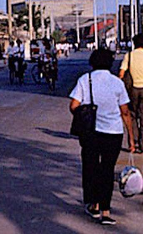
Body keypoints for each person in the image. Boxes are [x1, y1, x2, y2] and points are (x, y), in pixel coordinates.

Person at [69, 49, 135, 226]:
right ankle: (105, 211)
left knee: (90, 168)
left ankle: (94, 204)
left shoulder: (85, 79)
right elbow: (125, 112)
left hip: (90, 133)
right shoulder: (117, 83)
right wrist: (131, 138)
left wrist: (86, 113)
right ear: (110, 63)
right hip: (113, 133)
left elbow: (73, 105)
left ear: (92, 62)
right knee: (107, 170)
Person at [119, 33, 143, 152]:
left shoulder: (129, 56)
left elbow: (121, 74)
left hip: (133, 90)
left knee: (132, 115)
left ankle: (134, 141)